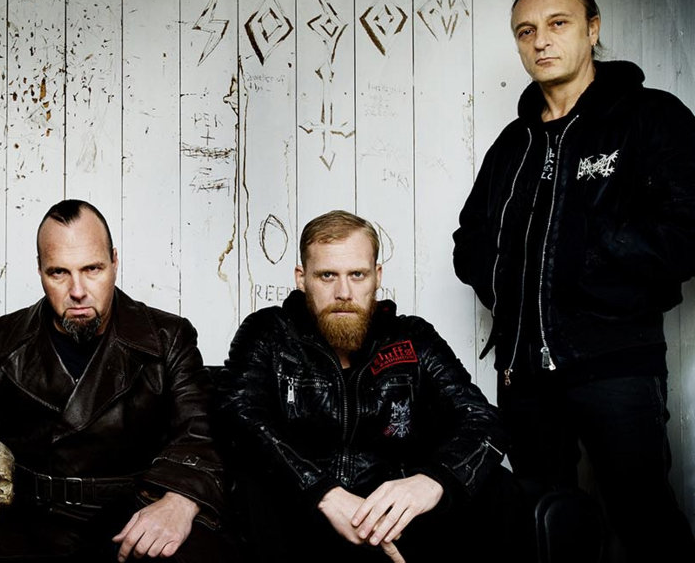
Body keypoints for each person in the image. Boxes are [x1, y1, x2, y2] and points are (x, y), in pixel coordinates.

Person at [453, 0, 695, 560]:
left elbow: (687, 231)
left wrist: (591, 261)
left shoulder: (650, 117)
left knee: (643, 518)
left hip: (614, 362)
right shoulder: (513, 144)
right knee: (543, 523)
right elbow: (471, 242)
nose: (540, 41)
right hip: (524, 376)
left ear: (592, 29)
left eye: (557, 24)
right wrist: (510, 291)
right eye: (525, 31)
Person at [0, 199, 231, 562]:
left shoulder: (168, 338)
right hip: (26, 521)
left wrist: (180, 500)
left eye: (92, 269)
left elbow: (200, 434)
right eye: (59, 272)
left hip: (130, 517)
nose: (77, 290)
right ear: (40, 270)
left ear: (114, 262)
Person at [219, 210, 523, 563]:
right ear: (302, 278)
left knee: (499, 487)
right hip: (302, 515)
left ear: (377, 276)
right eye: (327, 275)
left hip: (396, 515)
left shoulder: (412, 338)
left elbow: (482, 419)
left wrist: (433, 481)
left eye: (357, 275)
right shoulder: (270, 333)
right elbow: (237, 414)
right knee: (252, 485)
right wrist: (323, 492)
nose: (343, 292)